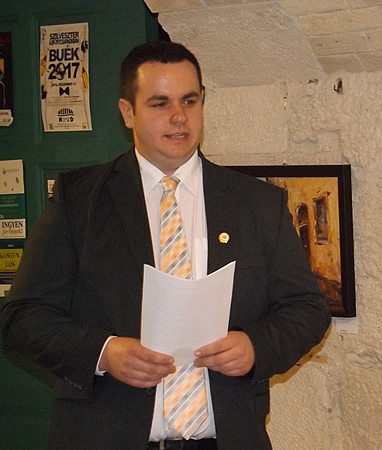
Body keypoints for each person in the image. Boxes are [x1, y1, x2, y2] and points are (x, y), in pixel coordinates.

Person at [1, 41, 331, 450]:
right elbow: (22, 318)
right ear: (128, 113)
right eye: (160, 104)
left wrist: (254, 346)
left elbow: (308, 309)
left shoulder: (257, 202)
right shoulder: (78, 200)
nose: (179, 117)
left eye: (190, 101)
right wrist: (104, 352)